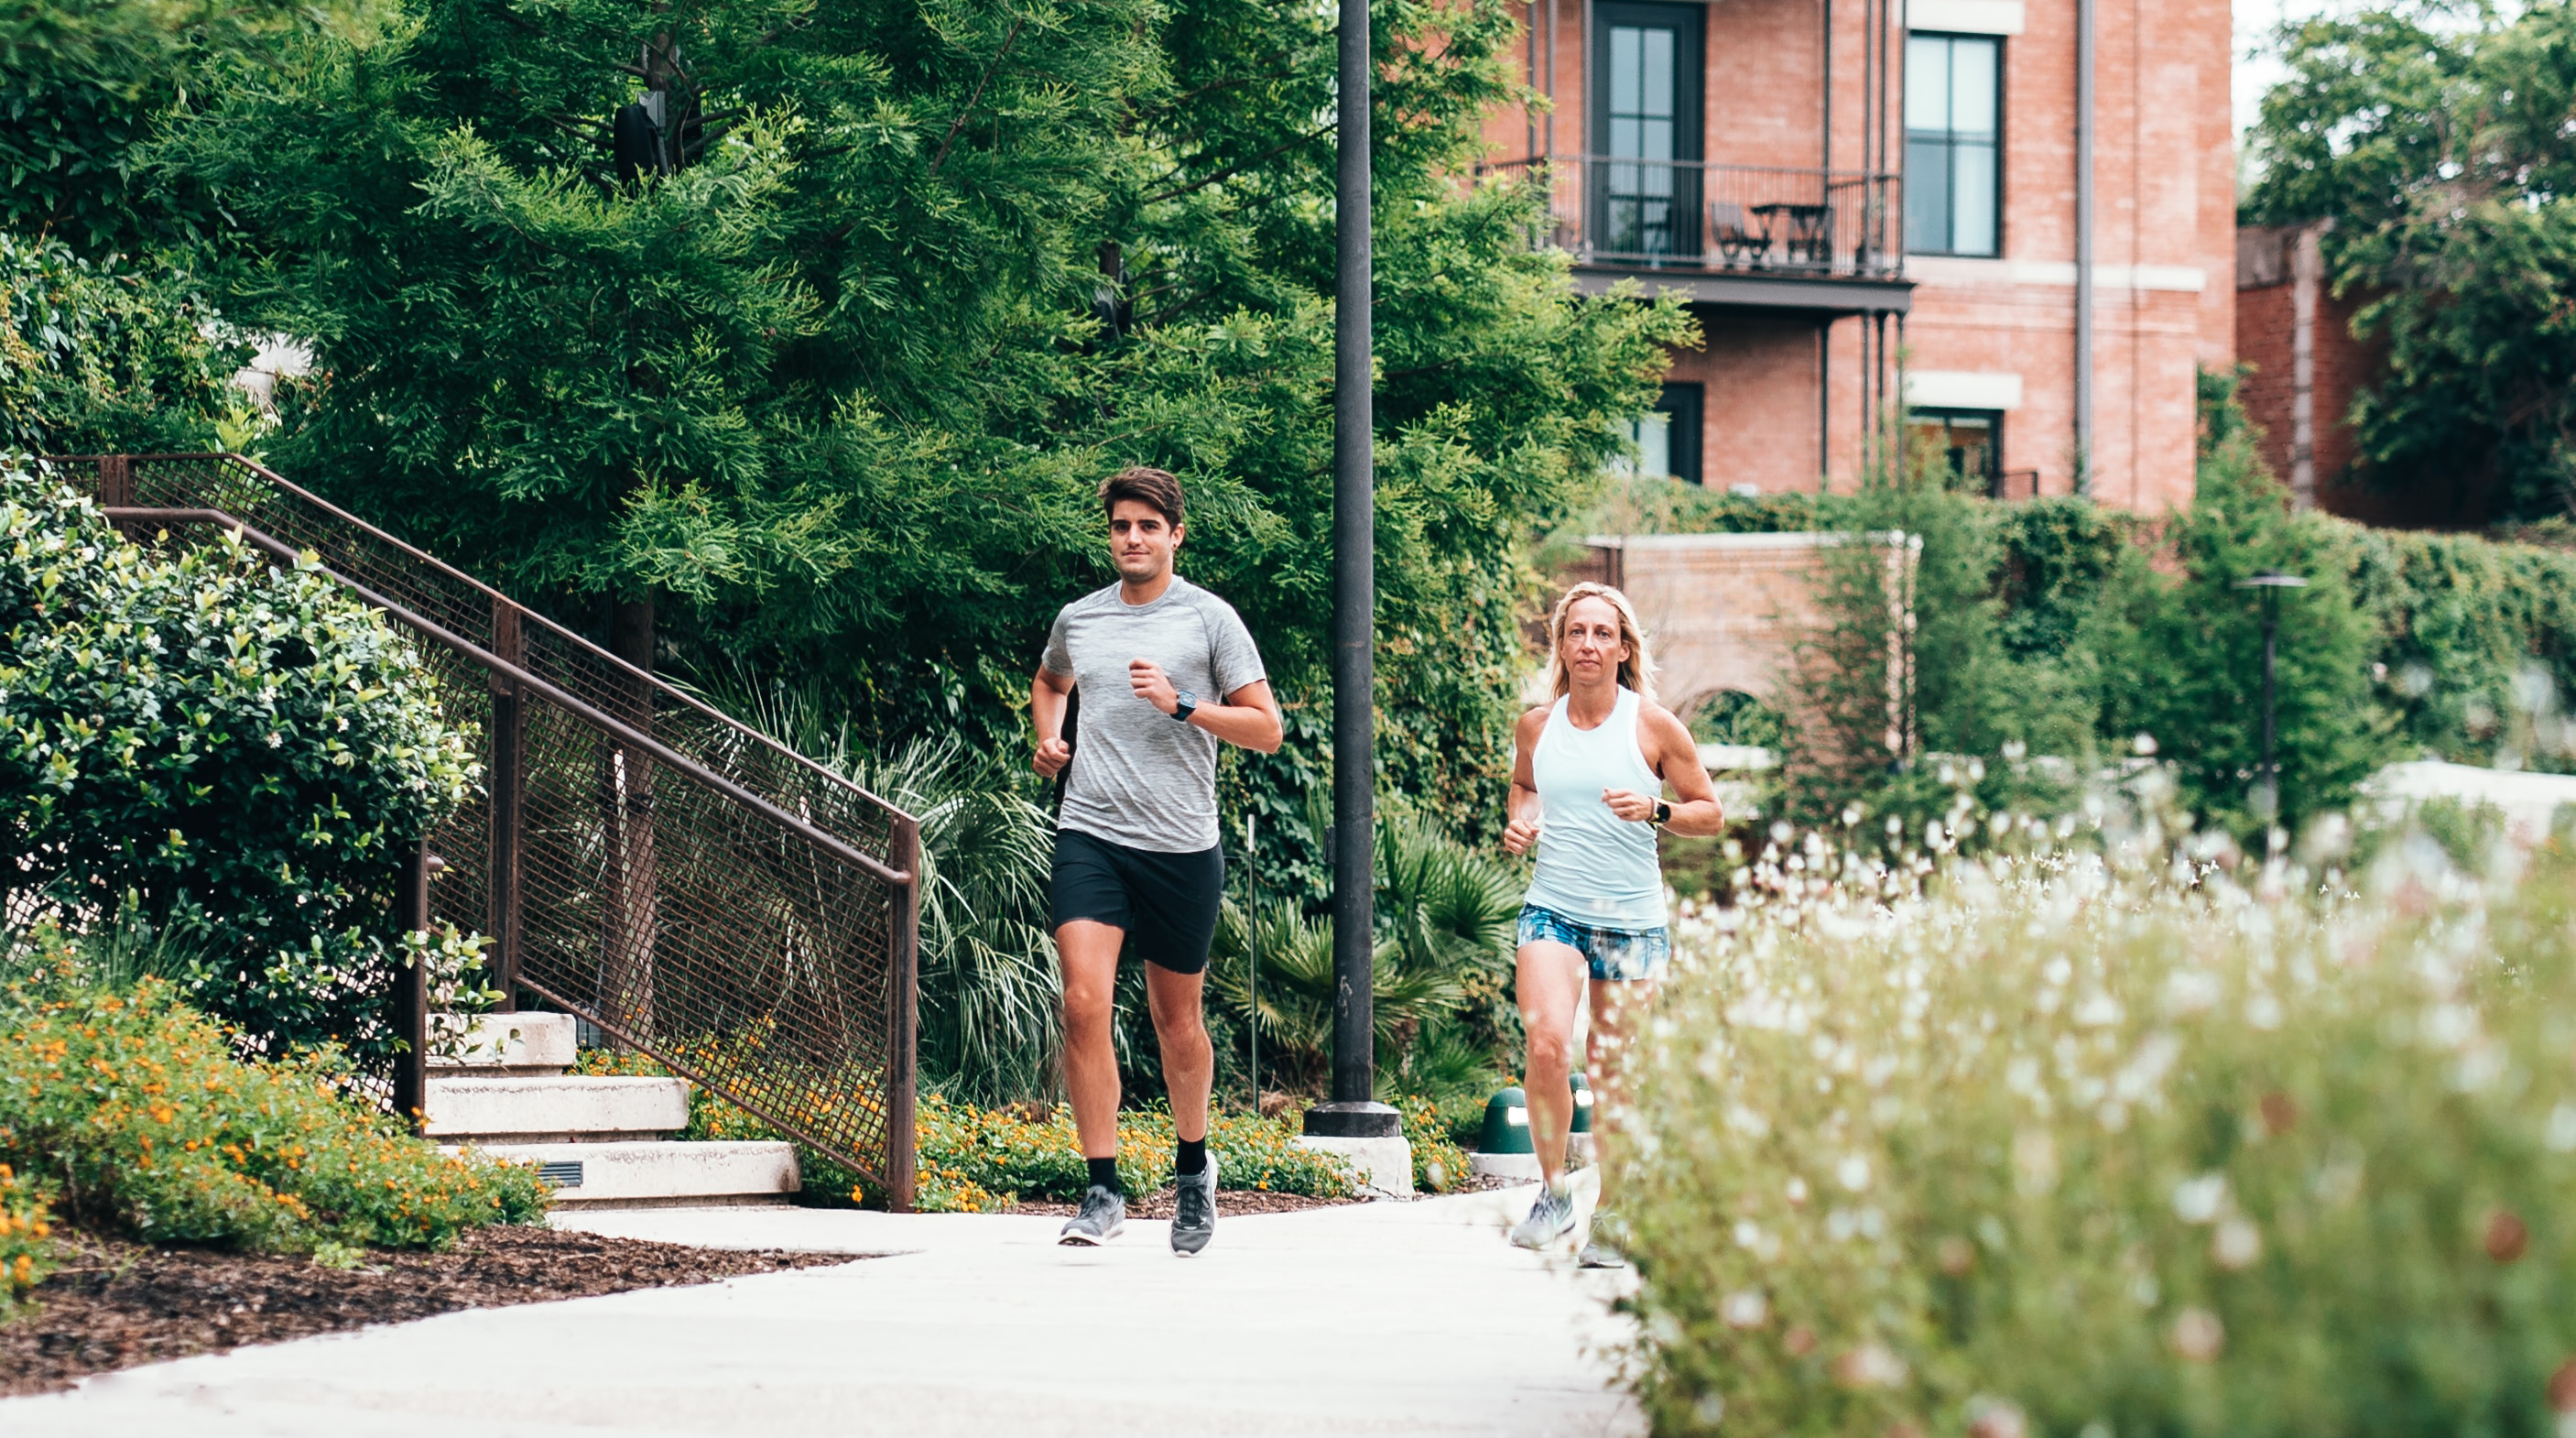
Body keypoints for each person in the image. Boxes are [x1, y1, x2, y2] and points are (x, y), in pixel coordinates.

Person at [1031, 466, 1282, 1254]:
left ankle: (1193, 1168)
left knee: (1177, 1023)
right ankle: (1102, 1188)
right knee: (1081, 1001)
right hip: (1092, 831)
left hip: (1180, 845)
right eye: (1119, 527)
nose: (1131, 539)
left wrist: (1182, 704)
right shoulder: (1081, 618)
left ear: (1175, 535)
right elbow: (1049, 679)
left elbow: (1266, 728)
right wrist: (1048, 736)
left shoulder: (1210, 620)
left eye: (1147, 526)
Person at [1502, 582, 1723, 1263]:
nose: (1588, 645)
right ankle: (1553, 1191)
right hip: (1554, 907)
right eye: (1576, 633)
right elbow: (1525, 786)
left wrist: (1655, 811)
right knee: (1546, 1044)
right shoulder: (1538, 725)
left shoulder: (1652, 726)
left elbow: (1709, 813)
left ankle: (1617, 1212)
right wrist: (1520, 821)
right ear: (1561, 646)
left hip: (1630, 919)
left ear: (1623, 647)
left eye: (1602, 633)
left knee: (1613, 1068)